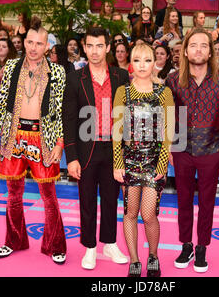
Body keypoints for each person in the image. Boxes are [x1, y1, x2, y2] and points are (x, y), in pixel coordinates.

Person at [0, 17, 67, 265]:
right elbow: (1, 102)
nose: (33, 47)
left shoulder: (57, 71)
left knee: (49, 196)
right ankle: (14, 240)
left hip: (43, 137)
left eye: (39, 43)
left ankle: (55, 245)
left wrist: (59, 142)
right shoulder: (11, 66)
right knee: (13, 195)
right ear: (24, 42)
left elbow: (60, 109)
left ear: (47, 46)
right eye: (29, 42)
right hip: (14, 136)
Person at [166, 27, 219, 273]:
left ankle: (202, 248)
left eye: (203, 45)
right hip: (182, 150)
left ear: (210, 52)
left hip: (211, 150)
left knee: (207, 203)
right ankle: (186, 246)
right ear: (185, 51)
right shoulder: (173, 80)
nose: (198, 49)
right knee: (183, 201)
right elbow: (168, 115)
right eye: (193, 45)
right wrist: (170, 149)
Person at [62, 27, 129, 270]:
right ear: (84, 47)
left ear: (108, 47)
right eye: (89, 46)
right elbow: (68, 119)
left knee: (112, 199)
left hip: (114, 149)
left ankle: (110, 244)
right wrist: (71, 158)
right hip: (85, 148)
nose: (94, 51)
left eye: (99, 46)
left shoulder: (121, 76)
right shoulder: (74, 78)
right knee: (87, 200)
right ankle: (90, 247)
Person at [112, 43, 174, 277]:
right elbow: (117, 130)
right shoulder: (123, 92)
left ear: (154, 64)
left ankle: (154, 255)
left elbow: (168, 132)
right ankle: (135, 260)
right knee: (129, 213)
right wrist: (117, 163)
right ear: (131, 63)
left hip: (153, 161)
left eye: (147, 60)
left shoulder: (163, 92)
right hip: (128, 161)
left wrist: (162, 163)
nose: (142, 65)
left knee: (149, 214)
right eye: (137, 60)